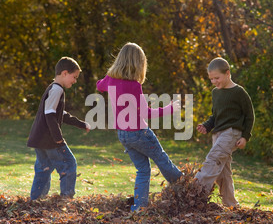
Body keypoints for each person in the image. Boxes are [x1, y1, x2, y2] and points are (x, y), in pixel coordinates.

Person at [96, 42, 182, 211]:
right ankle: (185, 185)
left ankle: (139, 208)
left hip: (123, 135)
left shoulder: (110, 80)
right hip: (139, 133)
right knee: (161, 159)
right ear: (139, 64)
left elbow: (100, 85)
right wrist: (170, 108)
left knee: (143, 170)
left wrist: (107, 79)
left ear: (119, 60)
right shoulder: (134, 85)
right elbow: (145, 113)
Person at [27, 57, 91, 201]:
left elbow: (60, 114)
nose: (74, 81)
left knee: (43, 169)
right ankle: (66, 200)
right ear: (64, 73)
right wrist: (58, 138)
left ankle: (36, 200)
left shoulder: (53, 88)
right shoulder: (57, 90)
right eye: (74, 77)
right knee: (69, 164)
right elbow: (50, 115)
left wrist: (81, 124)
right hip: (50, 140)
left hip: (40, 139)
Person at [196, 57, 254, 207]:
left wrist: (245, 136)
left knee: (214, 158)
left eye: (217, 78)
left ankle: (195, 190)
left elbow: (249, 116)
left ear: (227, 73)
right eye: (211, 79)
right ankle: (231, 204)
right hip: (218, 134)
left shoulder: (238, 92)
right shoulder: (216, 93)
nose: (214, 81)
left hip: (232, 132)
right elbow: (215, 116)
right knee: (223, 172)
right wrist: (206, 126)